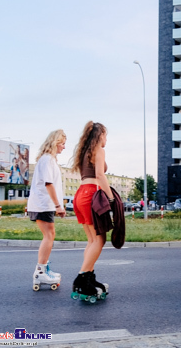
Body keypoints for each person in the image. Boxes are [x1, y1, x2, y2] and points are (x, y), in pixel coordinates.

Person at [70, 121, 113, 300]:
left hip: (80, 194)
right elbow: (100, 175)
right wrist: (111, 198)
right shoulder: (98, 150)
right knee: (100, 239)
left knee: (91, 240)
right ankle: (82, 278)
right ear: (99, 135)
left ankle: (89, 277)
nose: (106, 138)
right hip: (91, 194)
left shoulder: (84, 151)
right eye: (105, 135)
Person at [27, 129, 67, 291]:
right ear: (55, 142)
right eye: (62, 143)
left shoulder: (49, 160)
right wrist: (58, 206)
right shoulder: (47, 160)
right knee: (48, 236)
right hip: (43, 204)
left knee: (49, 236)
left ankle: (44, 268)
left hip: (44, 204)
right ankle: (40, 271)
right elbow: (48, 184)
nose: (64, 147)